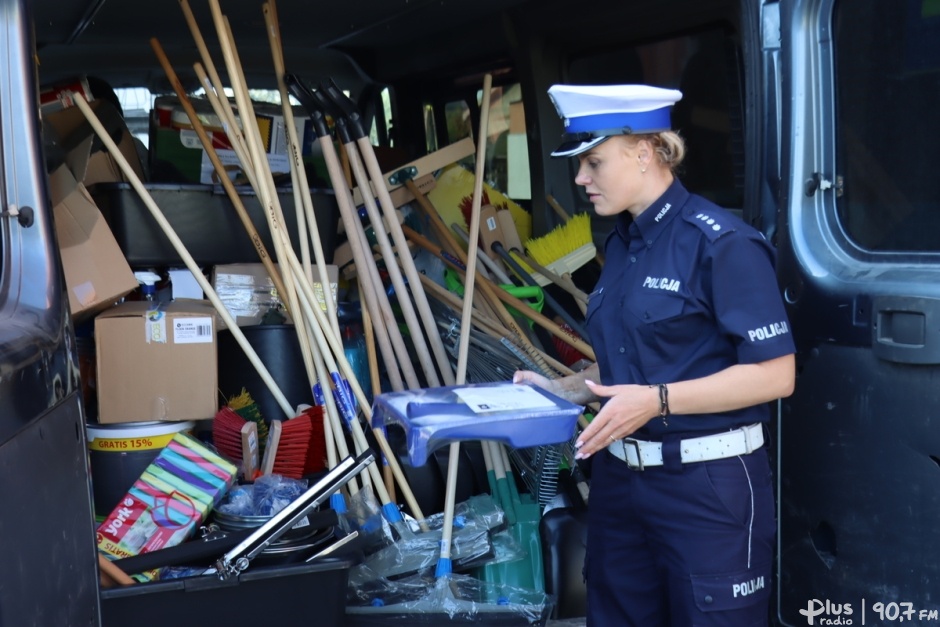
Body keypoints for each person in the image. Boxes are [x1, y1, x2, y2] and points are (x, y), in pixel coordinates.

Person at [513, 84, 796, 626]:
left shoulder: (721, 244)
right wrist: (561, 389)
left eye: (594, 162)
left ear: (645, 152)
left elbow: (776, 375)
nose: (580, 179)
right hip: (621, 485)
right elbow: (640, 358)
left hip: (706, 487)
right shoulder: (621, 243)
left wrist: (658, 401)